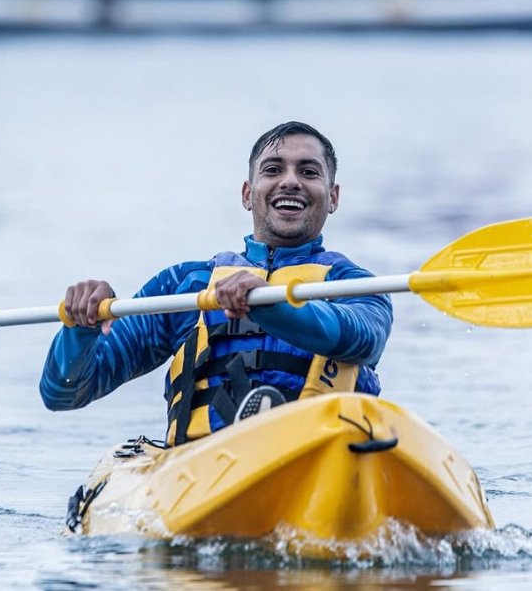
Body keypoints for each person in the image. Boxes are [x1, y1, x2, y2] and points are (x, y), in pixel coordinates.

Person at [40, 121, 393, 446]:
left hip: (324, 456)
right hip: (202, 465)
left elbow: (361, 340)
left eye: (308, 172)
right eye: (273, 169)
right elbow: (63, 394)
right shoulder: (186, 285)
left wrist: (269, 304)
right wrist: (81, 328)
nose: (290, 181)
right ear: (247, 194)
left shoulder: (352, 285)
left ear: (333, 197)